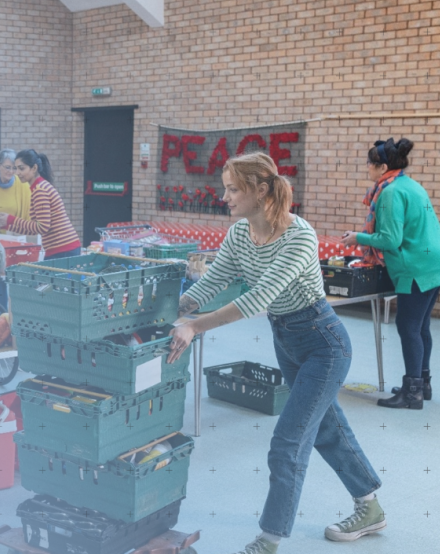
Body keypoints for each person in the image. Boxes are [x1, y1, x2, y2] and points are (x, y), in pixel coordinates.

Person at [168, 152, 383, 554]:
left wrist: (196, 326)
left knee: (288, 441)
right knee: (326, 429)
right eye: (225, 188)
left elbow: (258, 298)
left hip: (324, 344)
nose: (225, 197)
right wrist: (172, 312)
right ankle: (370, 507)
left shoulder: (299, 236)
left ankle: (269, 539)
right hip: (286, 341)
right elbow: (211, 284)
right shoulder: (239, 234)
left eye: (233, 189)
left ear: (261, 189)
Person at [341, 138, 440, 409]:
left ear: (382, 166)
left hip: (415, 267)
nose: (367, 169)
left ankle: (412, 395)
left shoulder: (390, 193)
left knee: (408, 327)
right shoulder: (411, 184)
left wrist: (357, 237)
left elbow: (390, 238)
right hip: (432, 264)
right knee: (420, 327)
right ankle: (422, 384)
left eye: (369, 165)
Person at [0, 150, 81, 260]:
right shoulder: (39, 187)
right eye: (16, 168)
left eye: (21, 168)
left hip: (62, 249)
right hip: (63, 248)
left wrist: (11, 219)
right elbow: (35, 229)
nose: (17, 173)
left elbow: (42, 227)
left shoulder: (40, 191)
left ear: (34, 168)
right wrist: (8, 225)